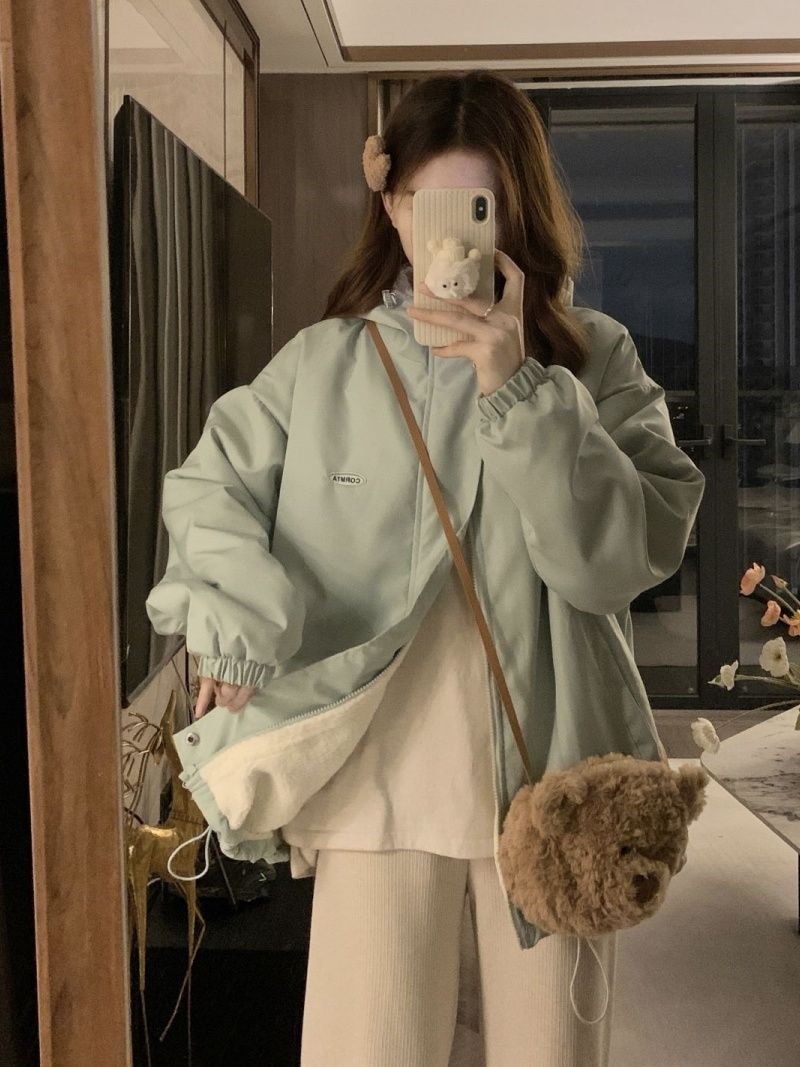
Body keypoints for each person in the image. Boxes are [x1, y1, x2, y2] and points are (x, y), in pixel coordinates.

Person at [146, 70, 705, 1067]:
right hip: (379, 779)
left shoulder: (594, 360)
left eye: (476, 207)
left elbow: (614, 563)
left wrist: (517, 387)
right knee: (369, 1049)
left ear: (515, 211)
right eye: (426, 205)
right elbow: (207, 489)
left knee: (550, 1054)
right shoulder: (325, 365)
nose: (449, 238)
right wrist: (233, 625)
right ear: (393, 206)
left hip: (552, 785)